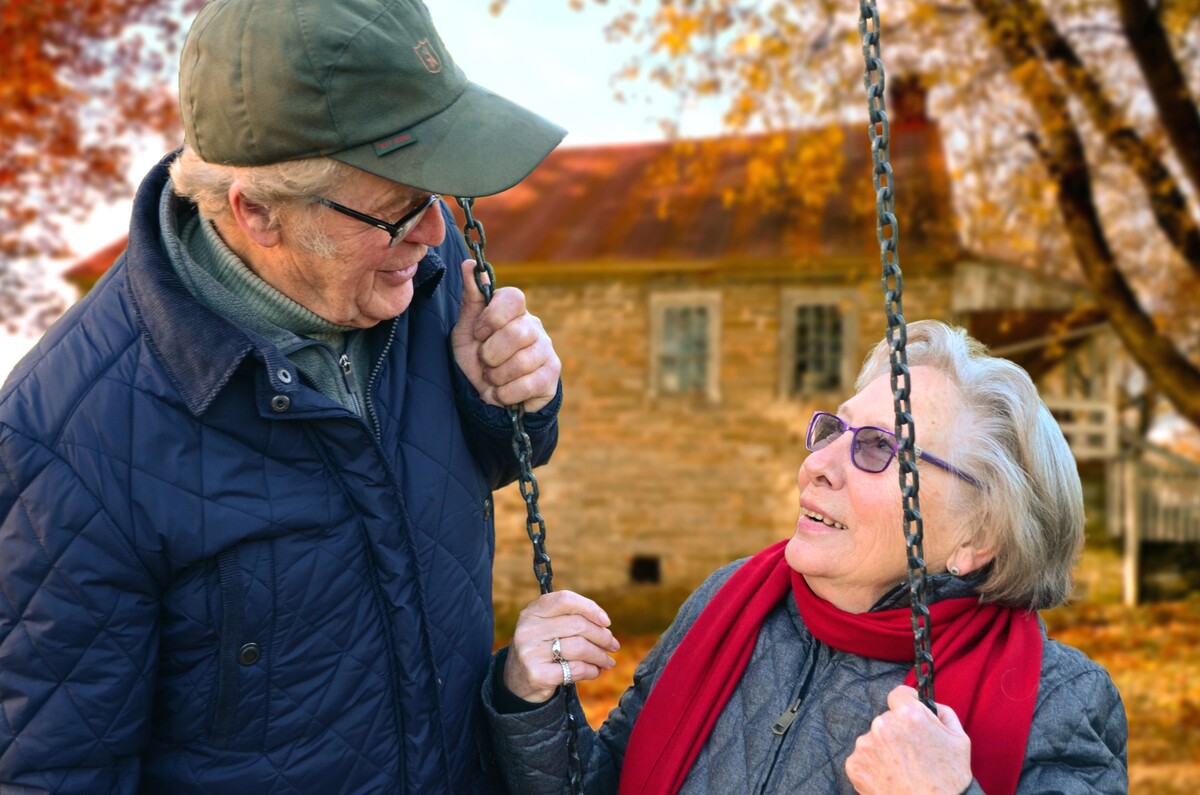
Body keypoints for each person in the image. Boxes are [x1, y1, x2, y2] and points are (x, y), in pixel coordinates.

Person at [0, 0, 566, 792]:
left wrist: (512, 401)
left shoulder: (420, 289)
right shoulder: (63, 446)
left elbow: (482, 469)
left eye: (437, 193)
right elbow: (55, 770)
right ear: (257, 212)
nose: (433, 233)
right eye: (398, 209)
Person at [486, 320, 1128, 794]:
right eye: (833, 431)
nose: (818, 465)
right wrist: (532, 701)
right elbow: (606, 784)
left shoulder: (1060, 699)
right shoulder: (731, 601)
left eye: (878, 448)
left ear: (975, 539)